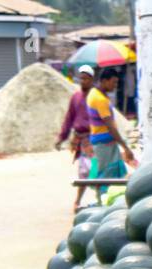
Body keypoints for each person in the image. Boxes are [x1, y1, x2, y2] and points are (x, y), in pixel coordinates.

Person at [88, 68, 135, 192]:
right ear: (104, 81)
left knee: (107, 174)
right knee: (106, 176)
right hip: (104, 145)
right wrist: (126, 148)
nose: (115, 86)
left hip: (102, 142)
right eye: (113, 82)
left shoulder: (94, 93)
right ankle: (104, 202)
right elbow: (110, 127)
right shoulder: (100, 100)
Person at [57, 64, 96, 212]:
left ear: (92, 79)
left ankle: (100, 199)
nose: (83, 81)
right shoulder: (76, 97)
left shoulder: (96, 97)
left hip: (94, 138)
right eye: (81, 78)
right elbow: (69, 118)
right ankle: (77, 201)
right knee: (83, 172)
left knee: (98, 171)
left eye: (86, 79)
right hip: (81, 140)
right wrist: (62, 136)